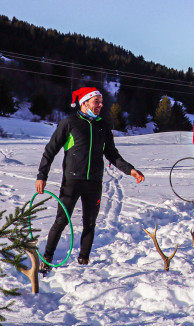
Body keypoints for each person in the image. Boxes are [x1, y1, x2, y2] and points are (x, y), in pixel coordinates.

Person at [36, 87, 145, 274]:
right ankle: (47, 259)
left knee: (90, 223)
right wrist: (42, 176)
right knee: (61, 220)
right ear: (84, 103)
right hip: (72, 181)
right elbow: (50, 150)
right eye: (97, 102)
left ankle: (84, 260)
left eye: (101, 102)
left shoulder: (103, 126)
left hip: (94, 182)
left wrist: (130, 170)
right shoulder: (69, 123)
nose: (100, 105)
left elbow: (112, 154)